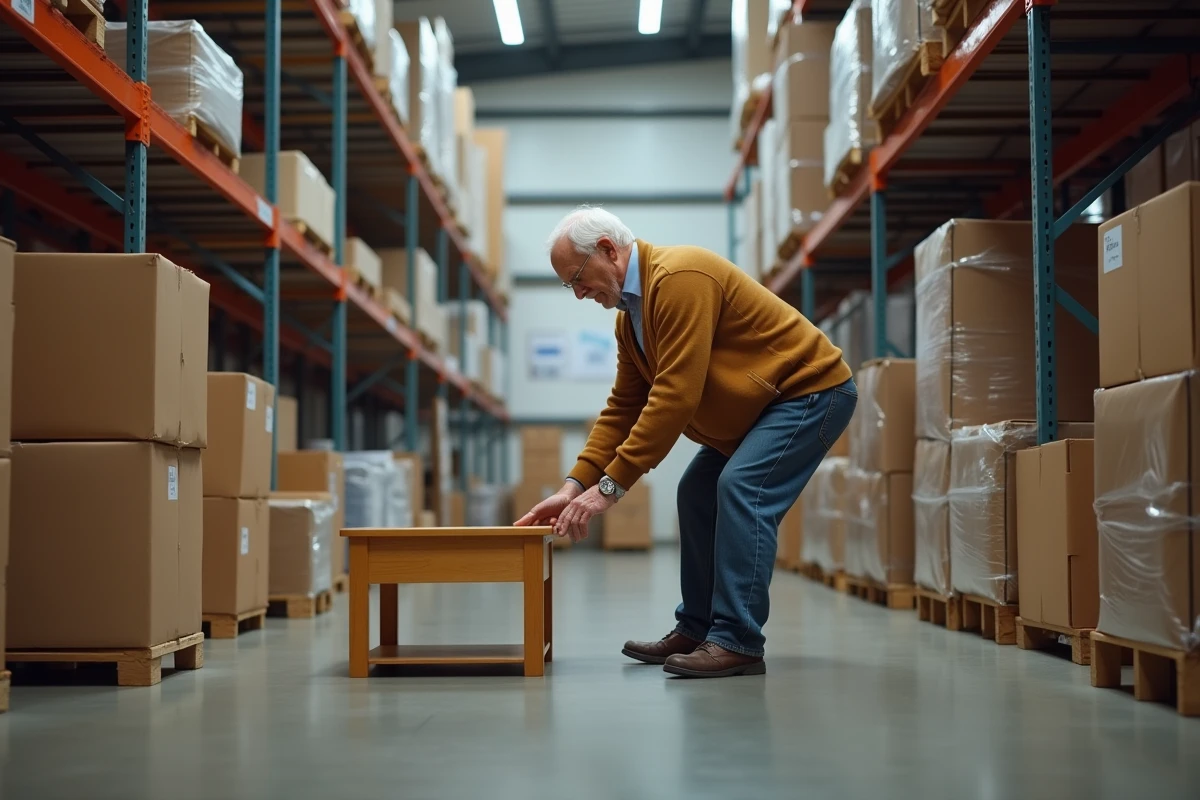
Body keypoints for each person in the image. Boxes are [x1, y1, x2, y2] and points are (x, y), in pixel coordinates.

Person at [514, 207, 856, 678]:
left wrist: (610, 488)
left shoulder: (679, 278)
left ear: (609, 251)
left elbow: (675, 396)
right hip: (761, 409)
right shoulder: (629, 319)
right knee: (695, 493)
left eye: (576, 277)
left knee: (742, 489)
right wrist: (573, 486)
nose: (577, 293)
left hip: (809, 392)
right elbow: (622, 408)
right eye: (567, 285)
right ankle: (697, 628)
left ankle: (737, 640)